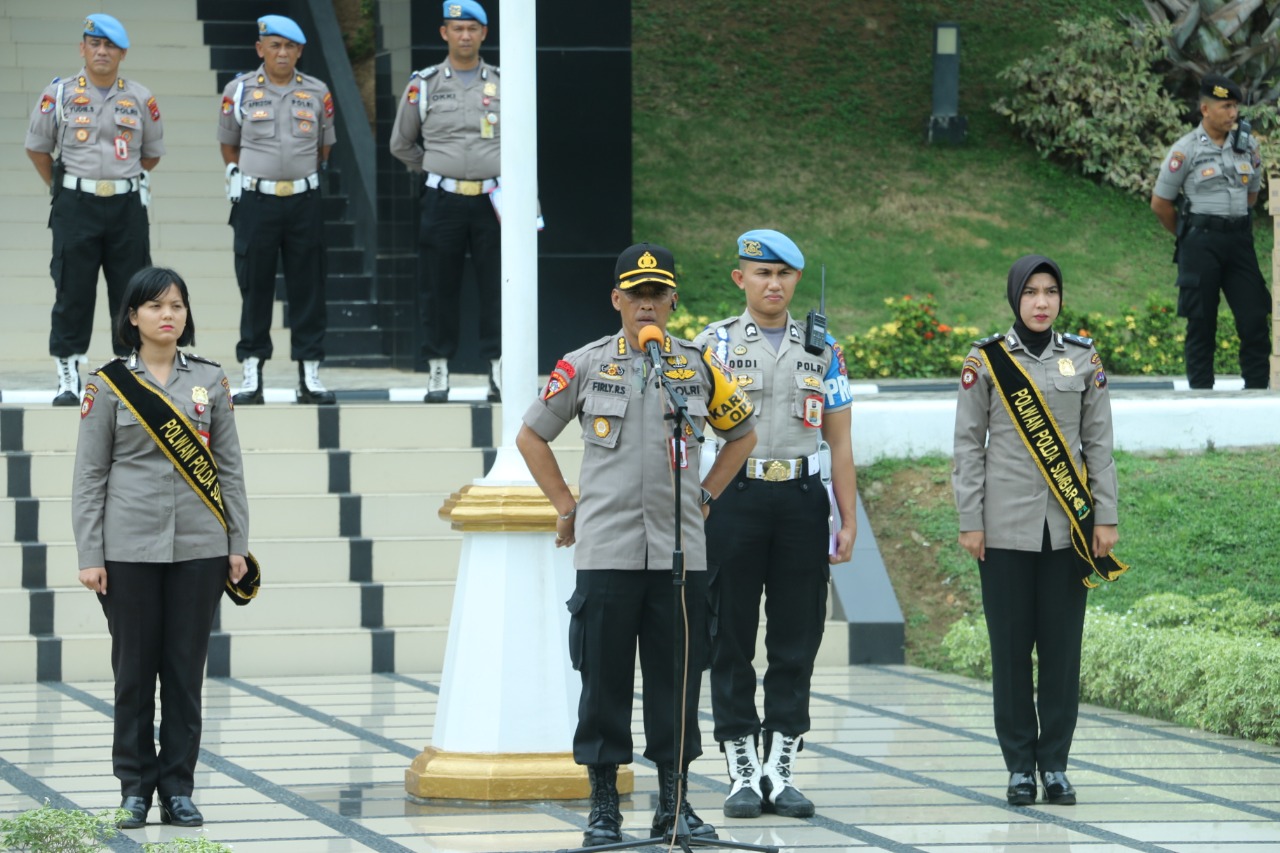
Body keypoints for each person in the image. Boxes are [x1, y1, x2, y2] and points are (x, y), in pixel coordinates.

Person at [516, 243, 757, 847]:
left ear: (674, 301)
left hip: (681, 556)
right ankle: (604, 807)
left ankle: (673, 805)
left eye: (658, 294)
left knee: (678, 680)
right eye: (636, 293)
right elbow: (530, 436)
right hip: (607, 552)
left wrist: (704, 497)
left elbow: (743, 433)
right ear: (617, 299)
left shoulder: (698, 367)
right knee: (604, 681)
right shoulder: (585, 364)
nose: (647, 304)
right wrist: (568, 508)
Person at [73, 267, 250, 830]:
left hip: (199, 548)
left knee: (183, 673)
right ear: (132, 316)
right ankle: (134, 789)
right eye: (154, 306)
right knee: (133, 673)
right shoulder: (106, 385)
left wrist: (236, 543)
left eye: (176, 305)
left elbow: (229, 470)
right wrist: (90, 553)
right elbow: (89, 475)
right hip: (127, 550)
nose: (167, 315)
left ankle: (178, 788)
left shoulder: (210, 381)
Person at [693, 230, 858, 820]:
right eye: (762, 274)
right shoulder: (711, 345)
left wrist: (848, 518)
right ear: (741, 279)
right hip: (733, 500)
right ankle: (740, 767)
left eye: (785, 275)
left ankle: (780, 765)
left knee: (798, 636)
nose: (774, 284)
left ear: (795, 281)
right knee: (729, 636)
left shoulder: (823, 348)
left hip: (800, 499)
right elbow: (688, 433)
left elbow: (839, 441)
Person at [952, 254, 1123, 808]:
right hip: (1001, 533)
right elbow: (966, 448)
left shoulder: (1082, 358)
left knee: (1061, 653)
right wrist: (969, 521)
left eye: (1051, 291)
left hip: (1068, 532)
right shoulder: (987, 361)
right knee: (1009, 652)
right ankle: (1019, 768)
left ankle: (1055, 766)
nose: (1042, 301)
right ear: (1015, 298)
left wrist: (1106, 516)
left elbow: (1099, 445)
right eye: (1031, 292)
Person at [24, 14, 164, 406]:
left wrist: (117, 178)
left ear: (122, 53)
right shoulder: (60, 94)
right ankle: (69, 375)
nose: (102, 52)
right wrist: (67, 187)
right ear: (82, 48)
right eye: (94, 44)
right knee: (73, 289)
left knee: (131, 292)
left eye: (110, 46)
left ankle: (130, 374)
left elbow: (150, 155)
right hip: (76, 204)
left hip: (126, 206)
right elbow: (37, 148)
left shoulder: (139, 98)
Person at [219, 15, 337, 405]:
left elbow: (324, 148)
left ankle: (310, 374)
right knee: (255, 285)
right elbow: (229, 146)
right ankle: (252, 372)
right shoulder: (238, 90)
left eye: (290, 47)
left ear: (300, 51)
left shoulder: (318, 92)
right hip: (257, 200)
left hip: (304, 200)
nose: (282, 53)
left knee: (309, 286)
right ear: (260, 49)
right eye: (274, 45)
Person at [390, 0, 503, 403]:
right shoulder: (425, 83)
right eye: (458, 29)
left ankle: (499, 370)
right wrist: (436, 168)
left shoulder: (504, 82)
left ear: (484, 33)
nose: (465, 35)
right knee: (438, 288)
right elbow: (401, 144)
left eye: (473, 28)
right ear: (444, 33)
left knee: (498, 286)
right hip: (443, 200)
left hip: (493, 199)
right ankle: (438, 371)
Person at [1150, 73, 1272, 390]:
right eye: (1226, 106)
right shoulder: (1185, 150)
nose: (1233, 113)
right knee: (1202, 322)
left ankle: (1258, 391)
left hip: (1239, 242)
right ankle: (1201, 394)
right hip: (1200, 243)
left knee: (1255, 317)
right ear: (1206, 109)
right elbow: (1161, 203)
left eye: (1235, 106)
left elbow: (1252, 195)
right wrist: (1186, 235)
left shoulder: (1248, 145)